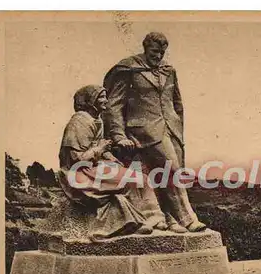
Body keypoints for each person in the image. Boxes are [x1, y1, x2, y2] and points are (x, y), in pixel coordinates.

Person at [103, 32, 206, 233]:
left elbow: (177, 103)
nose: (158, 56)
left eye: (161, 52)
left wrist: (178, 129)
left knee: (158, 176)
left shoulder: (169, 71)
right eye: (154, 51)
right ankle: (187, 219)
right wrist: (118, 135)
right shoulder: (129, 68)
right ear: (145, 47)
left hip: (170, 129)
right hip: (141, 130)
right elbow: (114, 105)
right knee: (171, 171)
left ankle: (169, 220)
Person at [58, 85, 167, 241]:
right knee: (132, 179)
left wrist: (111, 157)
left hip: (93, 167)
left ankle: (154, 217)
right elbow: (77, 159)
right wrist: (100, 149)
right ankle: (143, 219)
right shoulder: (79, 122)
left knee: (140, 177)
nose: (106, 100)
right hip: (79, 173)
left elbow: (98, 148)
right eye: (102, 97)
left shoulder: (97, 120)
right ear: (90, 101)